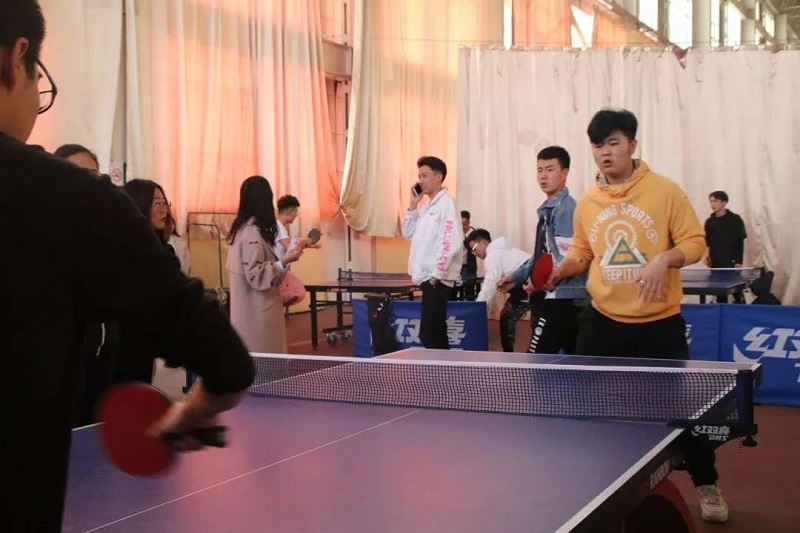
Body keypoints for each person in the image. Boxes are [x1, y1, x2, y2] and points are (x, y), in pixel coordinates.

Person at [2, 2, 255, 529]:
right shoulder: (69, 198)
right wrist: (193, 410)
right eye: (38, 79)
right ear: (16, 56)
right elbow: (225, 361)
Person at [545, 108, 728, 523]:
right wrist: (564, 267)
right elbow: (583, 251)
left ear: (632, 144)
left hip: (657, 323)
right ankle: (588, 482)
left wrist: (665, 258)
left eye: (613, 143)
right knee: (586, 407)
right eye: (597, 145)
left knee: (681, 411)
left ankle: (706, 482)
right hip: (602, 319)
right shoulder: (588, 201)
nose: (605, 152)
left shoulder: (665, 191)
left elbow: (695, 242)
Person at [498, 146, 587, 355]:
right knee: (576, 358)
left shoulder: (565, 210)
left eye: (549, 169)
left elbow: (568, 258)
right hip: (561, 297)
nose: (543, 176)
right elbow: (542, 256)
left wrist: (540, 282)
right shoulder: (549, 209)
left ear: (564, 173)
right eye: (539, 170)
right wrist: (517, 276)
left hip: (564, 297)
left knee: (536, 359)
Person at [55, 142, 118, 427]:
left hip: (103, 353)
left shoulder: (107, 229)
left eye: (95, 174)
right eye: (80, 173)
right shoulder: (42, 230)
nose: (90, 182)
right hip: (62, 361)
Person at [227, 176, 304, 354]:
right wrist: (284, 261)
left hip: (250, 317)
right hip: (258, 319)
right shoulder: (251, 234)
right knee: (265, 367)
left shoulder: (241, 230)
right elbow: (256, 275)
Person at [402, 156, 463, 349]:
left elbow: (450, 241)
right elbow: (408, 233)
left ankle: (442, 365)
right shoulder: (427, 206)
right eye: (419, 176)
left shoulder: (447, 204)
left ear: (438, 177)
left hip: (437, 279)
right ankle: (442, 365)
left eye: (425, 175)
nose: (420, 180)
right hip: (427, 278)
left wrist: (436, 275)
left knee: (431, 333)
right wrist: (413, 204)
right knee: (433, 332)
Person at [467, 229, 531, 352]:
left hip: (531, 283)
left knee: (507, 317)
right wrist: (513, 284)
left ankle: (508, 355)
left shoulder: (493, 254)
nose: (474, 253)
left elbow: (490, 283)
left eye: (474, 248)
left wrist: (477, 306)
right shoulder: (501, 251)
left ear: (483, 243)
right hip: (526, 283)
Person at [704, 190, 747, 303]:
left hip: (731, 261)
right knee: (720, 290)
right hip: (716, 261)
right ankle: (721, 309)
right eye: (711, 201)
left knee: (737, 290)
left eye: (715, 201)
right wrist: (707, 256)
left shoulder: (735, 219)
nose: (712, 204)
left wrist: (738, 261)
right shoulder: (709, 222)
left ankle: (741, 308)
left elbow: (740, 241)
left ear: (724, 202)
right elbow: (707, 241)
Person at [459, 210, 478, 300]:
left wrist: (464, 237)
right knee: (456, 288)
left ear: (469, 222)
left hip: (469, 266)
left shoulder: (474, 233)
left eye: (464, 224)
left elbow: (474, 248)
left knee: (470, 290)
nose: (463, 227)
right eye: (461, 224)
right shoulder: (456, 232)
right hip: (458, 266)